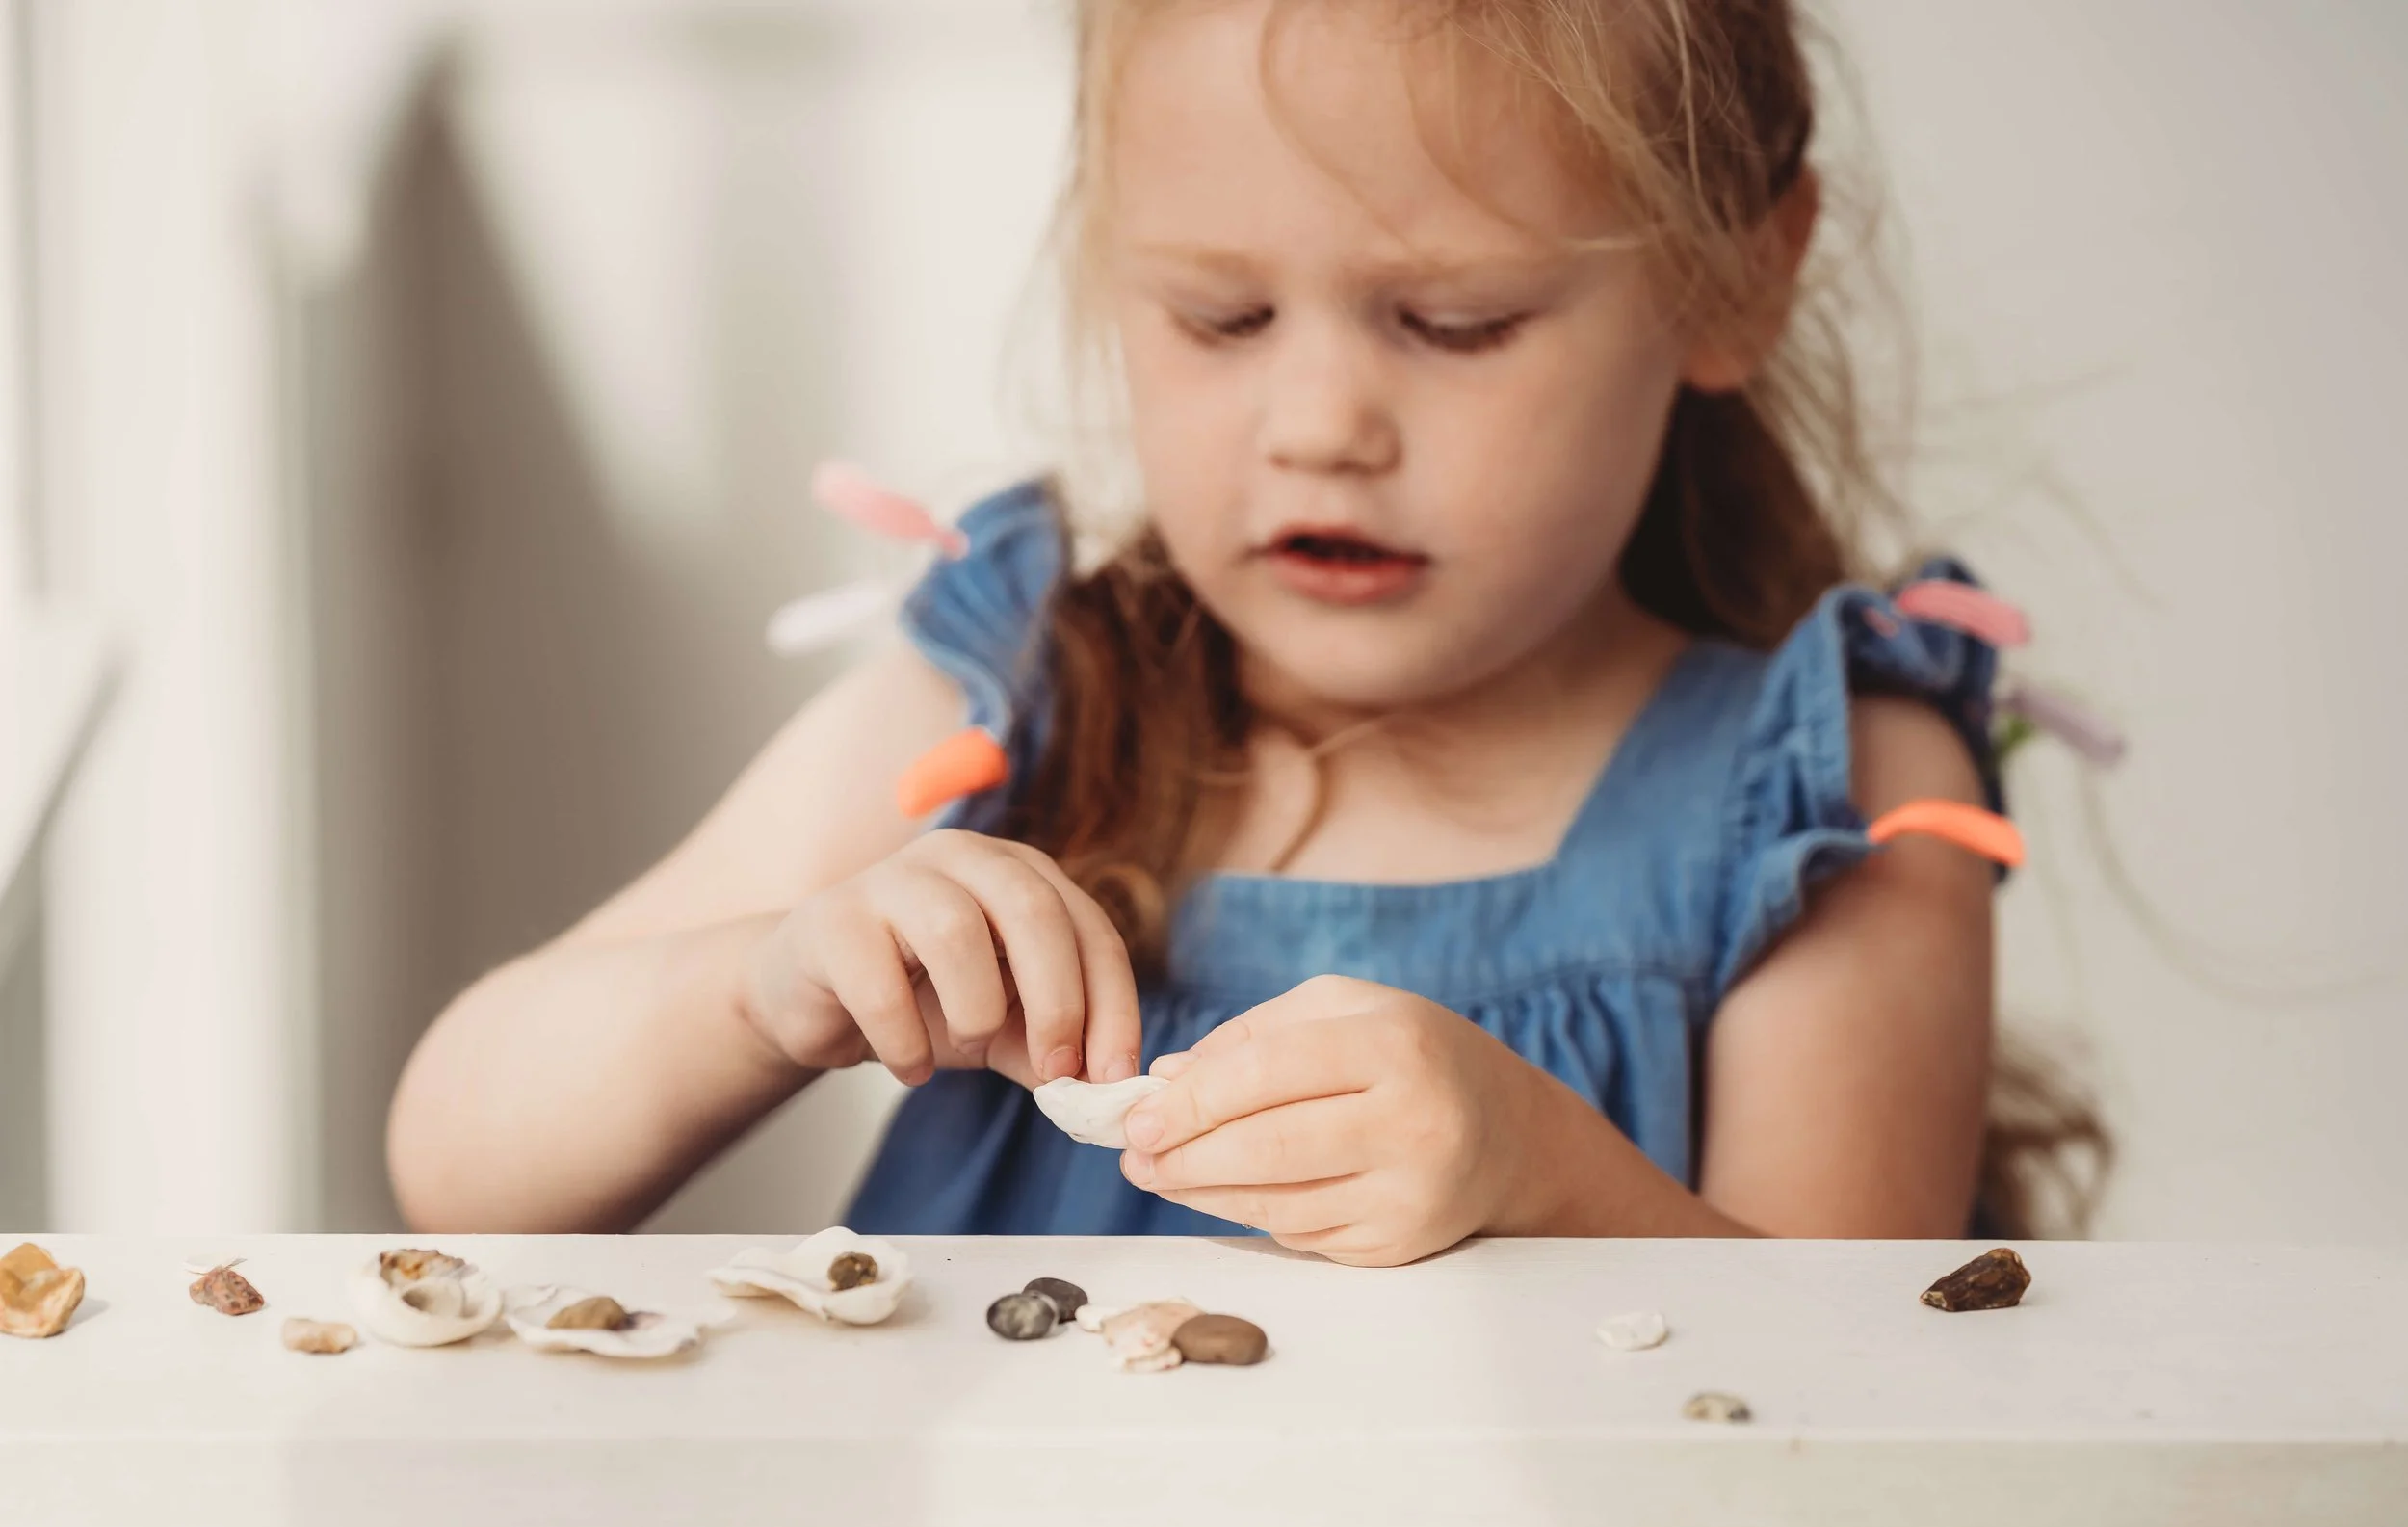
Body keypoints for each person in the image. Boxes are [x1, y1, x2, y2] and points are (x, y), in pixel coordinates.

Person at [390, 0, 2046, 1265]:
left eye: (1452, 323)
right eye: (1220, 316)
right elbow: (456, 1158)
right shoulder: (1009, 704)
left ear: (1735, 282)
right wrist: (752, 993)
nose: (1321, 422)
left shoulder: (1823, 803)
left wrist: (1551, 1185)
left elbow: (1849, 1427)